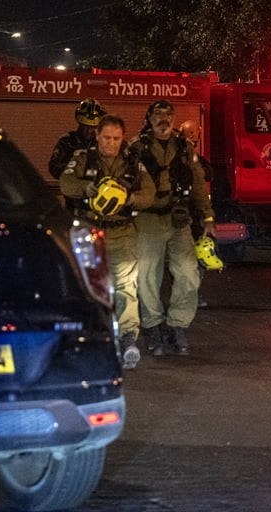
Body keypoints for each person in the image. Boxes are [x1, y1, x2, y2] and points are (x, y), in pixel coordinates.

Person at [60, 114, 155, 370]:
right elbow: (66, 183)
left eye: (116, 138)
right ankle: (89, 338)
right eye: (106, 138)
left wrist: (129, 198)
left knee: (125, 287)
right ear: (97, 136)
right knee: (87, 286)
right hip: (89, 230)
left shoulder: (133, 162)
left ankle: (127, 339)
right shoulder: (83, 158)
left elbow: (149, 193)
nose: (111, 143)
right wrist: (87, 189)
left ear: (122, 138)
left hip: (122, 232)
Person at [131, 101, 212, 357]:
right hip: (147, 219)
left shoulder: (185, 148)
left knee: (189, 273)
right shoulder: (135, 147)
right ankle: (153, 328)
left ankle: (177, 326)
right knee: (146, 278)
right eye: (158, 113)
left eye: (168, 114)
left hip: (179, 220)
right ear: (149, 117)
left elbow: (198, 184)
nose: (163, 118)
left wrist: (208, 217)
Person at [178, 119, 215, 309]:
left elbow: (207, 174)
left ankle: (191, 294)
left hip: (189, 217)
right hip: (186, 217)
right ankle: (191, 294)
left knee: (192, 257)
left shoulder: (195, 161)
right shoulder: (180, 159)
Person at [48, 98, 106, 180]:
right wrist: (75, 170)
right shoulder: (67, 142)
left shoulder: (102, 142)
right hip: (73, 188)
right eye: (85, 126)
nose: (89, 131)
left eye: (93, 127)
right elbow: (53, 167)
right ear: (80, 124)